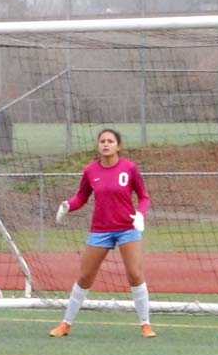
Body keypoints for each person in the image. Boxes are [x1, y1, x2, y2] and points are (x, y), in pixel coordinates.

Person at [50, 128, 156, 339]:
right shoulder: (90, 171)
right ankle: (65, 324)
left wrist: (140, 215)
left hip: (127, 229)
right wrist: (67, 206)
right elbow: (81, 198)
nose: (106, 144)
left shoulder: (129, 168)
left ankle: (146, 324)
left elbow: (144, 197)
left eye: (110, 141)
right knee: (85, 277)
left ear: (118, 146)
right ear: (98, 145)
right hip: (100, 231)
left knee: (135, 274)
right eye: (102, 141)